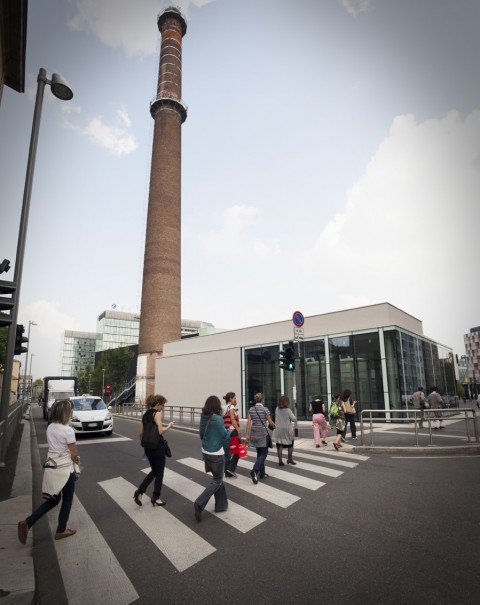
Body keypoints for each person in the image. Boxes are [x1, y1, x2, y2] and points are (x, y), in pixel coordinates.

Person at [18, 399, 79, 544]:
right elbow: (73, 455)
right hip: (65, 470)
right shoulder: (68, 431)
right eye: (71, 410)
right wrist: (77, 461)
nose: (72, 412)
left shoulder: (51, 427)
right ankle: (61, 530)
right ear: (66, 412)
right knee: (68, 499)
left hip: (52, 467)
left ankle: (28, 522)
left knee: (53, 500)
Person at [194, 395, 233, 521]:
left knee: (217, 478)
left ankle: (221, 505)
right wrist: (230, 430)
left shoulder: (204, 417)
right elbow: (224, 437)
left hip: (205, 452)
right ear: (217, 406)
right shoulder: (218, 419)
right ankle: (200, 503)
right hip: (216, 453)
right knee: (217, 480)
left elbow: (201, 434)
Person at [134, 394, 173, 507]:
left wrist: (147, 443)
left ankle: (140, 491)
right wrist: (169, 426)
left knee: (154, 471)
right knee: (159, 472)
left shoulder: (145, 414)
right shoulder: (157, 414)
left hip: (148, 447)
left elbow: (140, 433)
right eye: (162, 405)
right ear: (157, 404)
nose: (163, 407)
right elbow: (160, 431)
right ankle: (156, 497)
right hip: (157, 447)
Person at [245, 393, 276, 483]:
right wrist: (275, 426)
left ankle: (262, 474)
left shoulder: (251, 409)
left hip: (254, 432)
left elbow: (248, 422)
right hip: (262, 432)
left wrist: (247, 434)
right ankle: (254, 470)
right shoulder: (265, 409)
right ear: (262, 400)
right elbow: (270, 422)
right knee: (264, 453)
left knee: (259, 453)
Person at [273, 395, 297, 465]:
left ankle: (280, 461)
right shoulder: (288, 410)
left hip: (278, 429)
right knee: (290, 445)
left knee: (279, 445)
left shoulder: (277, 409)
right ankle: (289, 459)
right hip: (287, 430)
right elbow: (294, 419)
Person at [223, 392, 242, 478]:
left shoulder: (223, 408)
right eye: (234, 398)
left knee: (227, 453)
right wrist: (238, 430)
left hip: (225, 432)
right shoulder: (231, 407)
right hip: (232, 431)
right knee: (238, 450)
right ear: (230, 399)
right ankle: (230, 468)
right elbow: (233, 420)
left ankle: (226, 471)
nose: (235, 400)